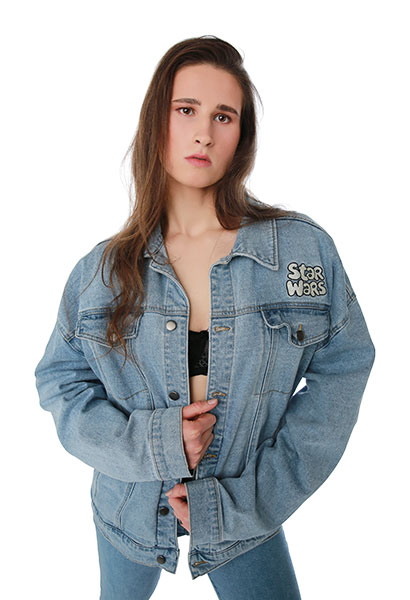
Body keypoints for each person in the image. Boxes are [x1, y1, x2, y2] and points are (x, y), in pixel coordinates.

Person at [34, 35, 375, 599]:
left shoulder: (299, 253)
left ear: (241, 136)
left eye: (223, 116)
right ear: (157, 121)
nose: (203, 133)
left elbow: (344, 365)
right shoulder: (99, 273)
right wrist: (155, 443)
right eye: (186, 110)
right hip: (126, 511)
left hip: (245, 512)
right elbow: (60, 383)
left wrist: (253, 496)